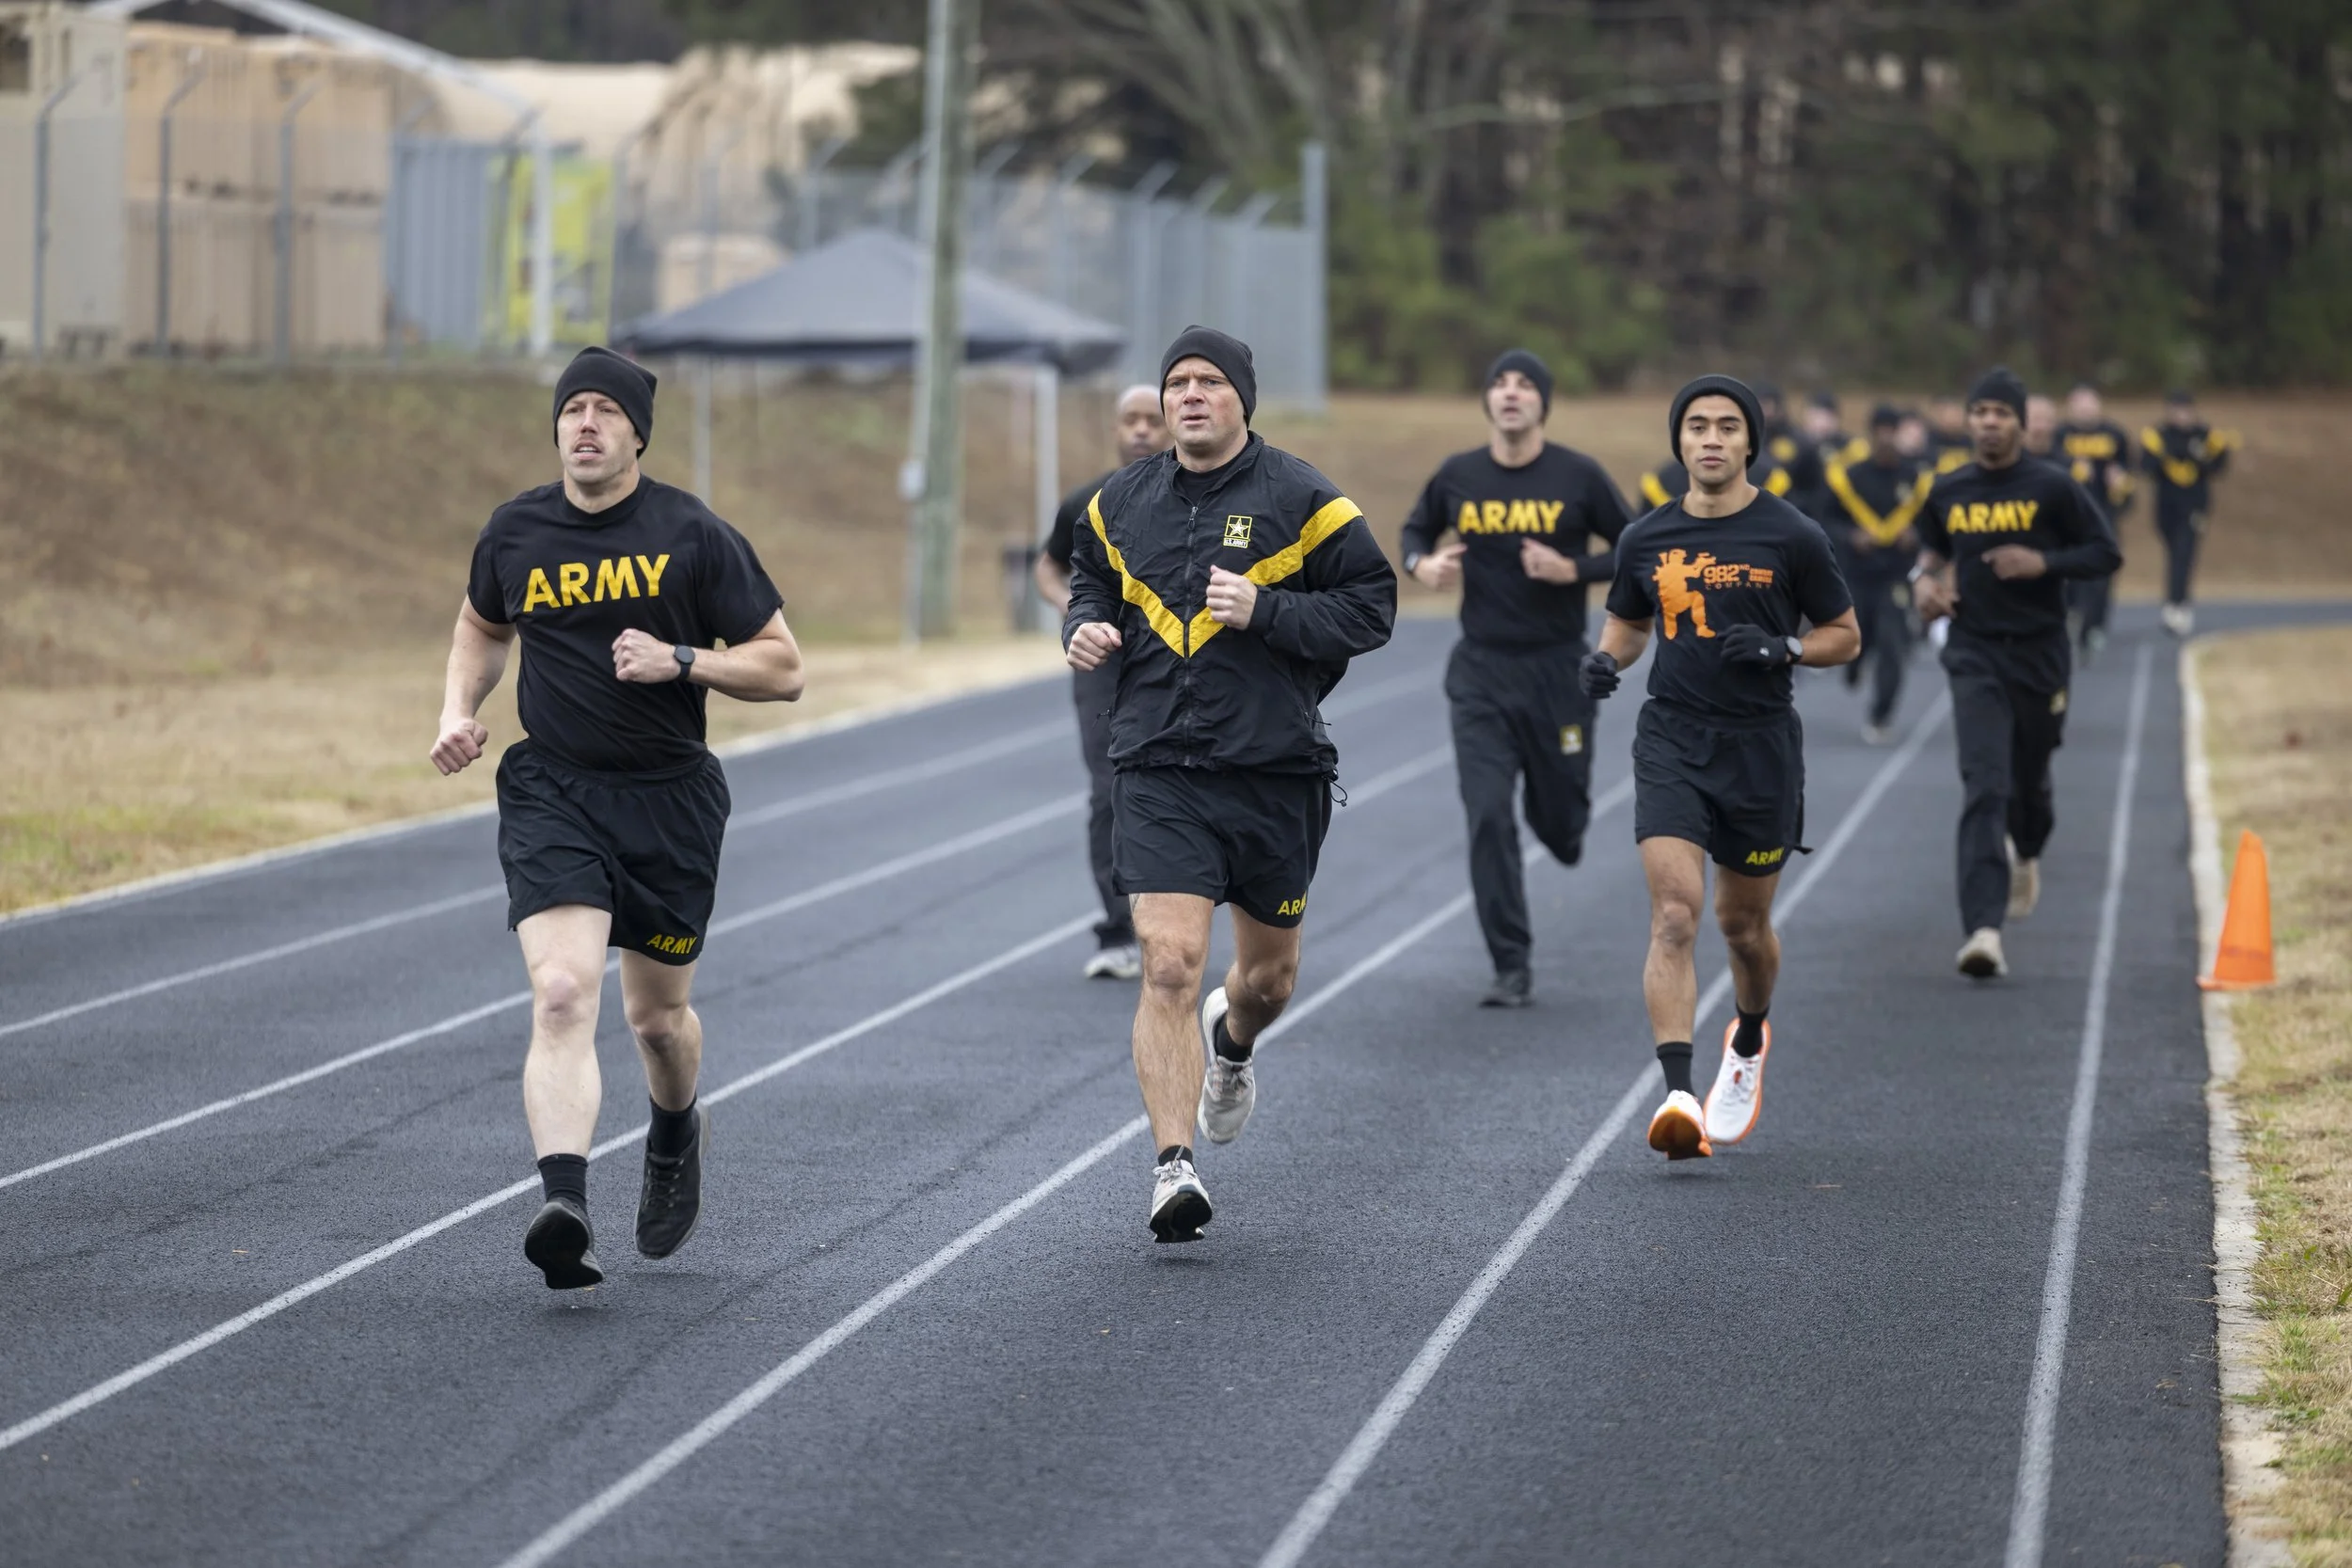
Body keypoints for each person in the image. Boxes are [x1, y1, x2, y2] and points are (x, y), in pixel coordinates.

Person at [431, 347, 803, 1290]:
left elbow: (781, 666)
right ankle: (565, 1204)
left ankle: (675, 1126)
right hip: (553, 787)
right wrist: (458, 709)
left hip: (669, 799)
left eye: (605, 410)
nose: (585, 423)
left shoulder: (692, 532)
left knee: (656, 1020)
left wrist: (684, 659)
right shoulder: (514, 529)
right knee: (560, 990)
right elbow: (483, 623)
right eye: (572, 409)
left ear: (638, 431)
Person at [1064, 326, 1395, 1241]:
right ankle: (1172, 1168)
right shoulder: (1116, 502)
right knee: (1168, 960)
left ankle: (1234, 1042)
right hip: (1159, 764)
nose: (1192, 395)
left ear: (1242, 397)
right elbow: (1091, 581)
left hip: (1273, 769)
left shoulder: (1304, 498)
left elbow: (1372, 607)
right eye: (1178, 383)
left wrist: (1267, 608)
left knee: (1266, 977)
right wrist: (1085, 627)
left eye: (1211, 381)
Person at [1580, 375, 1859, 1161]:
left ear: (1748, 443)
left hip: (1760, 746)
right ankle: (1677, 1091)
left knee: (1744, 926)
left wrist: (1788, 647)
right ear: (1679, 442)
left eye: (1726, 427)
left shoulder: (1792, 535)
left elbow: (1845, 634)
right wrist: (1604, 663)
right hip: (1671, 737)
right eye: (1696, 425)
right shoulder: (1647, 537)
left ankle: (1748, 1035)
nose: (1709, 438)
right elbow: (1628, 625)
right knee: (1675, 913)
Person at [1398, 350, 1633, 1006]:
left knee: (1558, 820)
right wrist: (1421, 564)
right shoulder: (1459, 475)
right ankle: (1511, 961)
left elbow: (1635, 546)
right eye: (1499, 383)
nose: (1509, 393)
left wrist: (1574, 571)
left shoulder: (1577, 475)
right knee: (1488, 813)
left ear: (1542, 403)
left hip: (1558, 668)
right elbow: (1415, 528)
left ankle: (1561, 818)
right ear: (1487, 401)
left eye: (1524, 384)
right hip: (1481, 670)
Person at [1912, 368, 2121, 979]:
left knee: (2030, 780)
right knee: (1985, 784)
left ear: (2022, 423)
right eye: (1980, 412)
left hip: (2039, 652)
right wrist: (1923, 585)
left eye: (2002, 413)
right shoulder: (1947, 489)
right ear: (1969, 420)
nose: (1989, 422)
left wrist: (2042, 561)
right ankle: (1983, 928)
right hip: (1975, 650)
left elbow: (2105, 553)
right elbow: (1927, 554)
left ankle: (2028, 847)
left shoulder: (2053, 486)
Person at [1034, 384, 1174, 979]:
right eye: (1130, 420)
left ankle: (1176, 914)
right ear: (1116, 430)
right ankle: (1118, 930)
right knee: (1106, 789)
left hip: (1176, 659)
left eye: (1153, 420)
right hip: (1103, 664)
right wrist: (1075, 615)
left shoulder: (1200, 500)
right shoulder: (1086, 501)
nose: (1141, 430)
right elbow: (1049, 565)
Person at [1823, 404, 1932, 743]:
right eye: (1879, 430)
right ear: (1870, 435)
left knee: (1892, 646)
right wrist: (1852, 537)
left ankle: (1881, 715)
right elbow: (1825, 520)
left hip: (1896, 577)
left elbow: (1935, 524)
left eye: (1892, 430)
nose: (1886, 437)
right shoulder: (1850, 476)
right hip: (1857, 575)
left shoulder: (1916, 478)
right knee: (1860, 640)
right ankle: (1854, 666)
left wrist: (1916, 536)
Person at [2140, 389, 2236, 636]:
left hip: (2194, 506)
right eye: (2176, 409)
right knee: (2174, 554)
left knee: (2184, 554)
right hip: (2166, 506)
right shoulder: (2158, 435)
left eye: (2185, 410)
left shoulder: (2206, 435)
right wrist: (2167, 457)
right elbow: (2145, 466)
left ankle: (2178, 607)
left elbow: (2220, 465)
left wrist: (2201, 457)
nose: (2181, 415)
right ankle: (2176, 602)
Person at [2055, 382, 2135, 660]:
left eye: (2091, 406)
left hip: (2103, 514)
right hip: (2069, 516)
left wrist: (2120, 487)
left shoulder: (2115, 435)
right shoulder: (2060, 435)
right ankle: (2072, 615)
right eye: (2081, 406)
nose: (2086, 412)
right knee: (2068, 570)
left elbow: (2127, 476)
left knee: (2101, 573)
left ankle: (2095, 625)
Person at [1926, 395, 1975, 475]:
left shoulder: (1969, 441)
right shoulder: (1931, 439)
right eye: (1950, 416)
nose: (1954, 420)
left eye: (1957, 415)